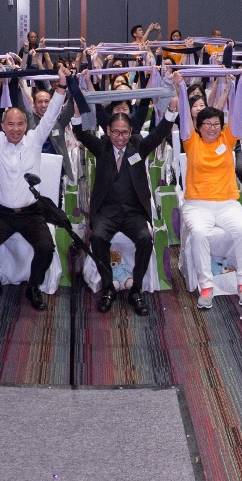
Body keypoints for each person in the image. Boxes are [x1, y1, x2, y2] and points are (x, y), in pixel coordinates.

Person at [0, 75, 69, 312]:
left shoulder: (35, 140)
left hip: (32, 213)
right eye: (10, 125)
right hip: (3, 214)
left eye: (19, 124)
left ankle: (34, 286)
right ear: (3, 126)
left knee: (47, 248)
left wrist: (63, 87)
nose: (15, 129)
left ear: (26, 125)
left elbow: (50, 116)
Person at [65, 81, 176, 316]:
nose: (120, 137)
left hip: (133, 212)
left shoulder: (137, 145)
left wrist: (172, 110)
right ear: (108, 131)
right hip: (107, 212)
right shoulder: (103, 146)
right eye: (115, 132)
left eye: (124, 132)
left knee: (146, 238)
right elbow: (81, 134)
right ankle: (108, 287)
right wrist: (76, 114)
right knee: (97, 239)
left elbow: (159, 133)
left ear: (130, 132)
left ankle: (136, 289)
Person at [180, 106, 242, 310]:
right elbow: (185, 116)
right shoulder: (191, 142)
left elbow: (236, 113)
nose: (212, 128)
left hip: (227, 203)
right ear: (198, 127)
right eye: (207, 124)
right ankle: (206, 286)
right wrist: (179, 88)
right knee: (198, 233)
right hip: (197, 205)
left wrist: (236, 86)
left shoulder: (227, 140)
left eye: (216, 124)